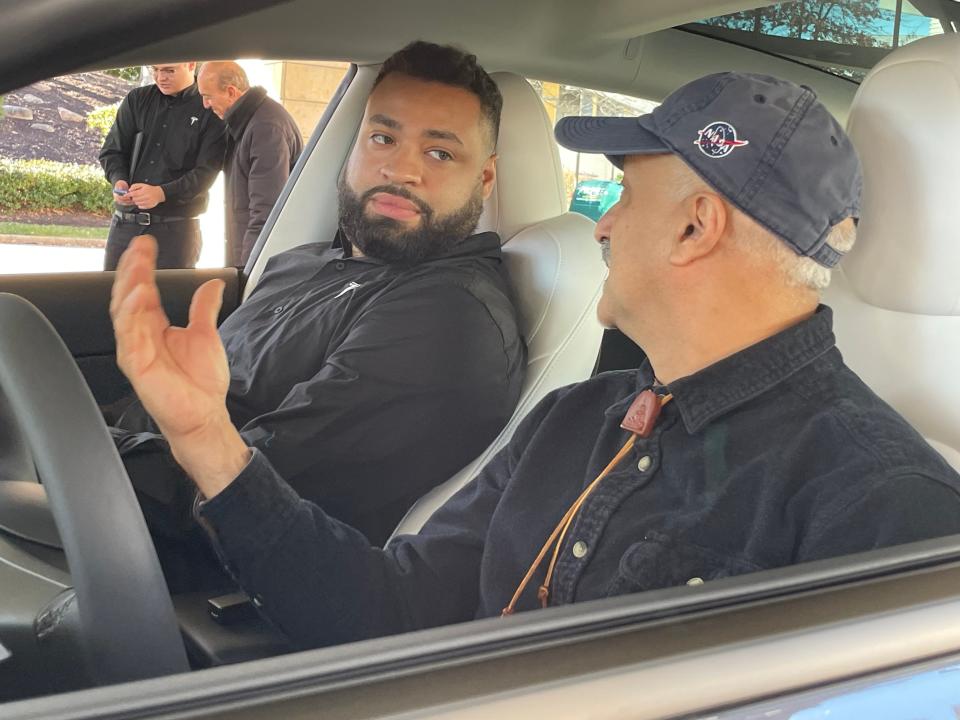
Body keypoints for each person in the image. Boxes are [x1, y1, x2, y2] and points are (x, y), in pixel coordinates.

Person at [111, 71, 960, 648]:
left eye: (625, 192)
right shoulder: (578, 420)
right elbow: (388, 609)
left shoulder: (887, 508)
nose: (601, 223)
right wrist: (204, 436)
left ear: (697, 225)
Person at [110, 42, 525, 576]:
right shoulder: (304, 262)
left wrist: (84, 453)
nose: (400, 169)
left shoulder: (447, 319)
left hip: (159, 560)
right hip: (120, 494)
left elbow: (248, 490)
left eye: (440, 153)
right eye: (383, 137)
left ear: (485, 179)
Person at [99, 62, 226, 270]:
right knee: (113, 299)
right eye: (155, 70)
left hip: (176, 232)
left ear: (191, 65)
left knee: (172, 301)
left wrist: (162, 193)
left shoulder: (208, 107)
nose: (160, 77)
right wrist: (118, 180)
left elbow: (207, 171)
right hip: (124, 227)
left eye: (169, 70)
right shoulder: (136, 100)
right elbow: (112, 152)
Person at [196, 61, 304, 266]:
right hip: (249, 251)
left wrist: (247, 272)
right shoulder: (249, 120)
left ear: (231, 92)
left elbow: (266, 210)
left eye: (207, 96)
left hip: (259, 260)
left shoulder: (265, 127)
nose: (205, 105)